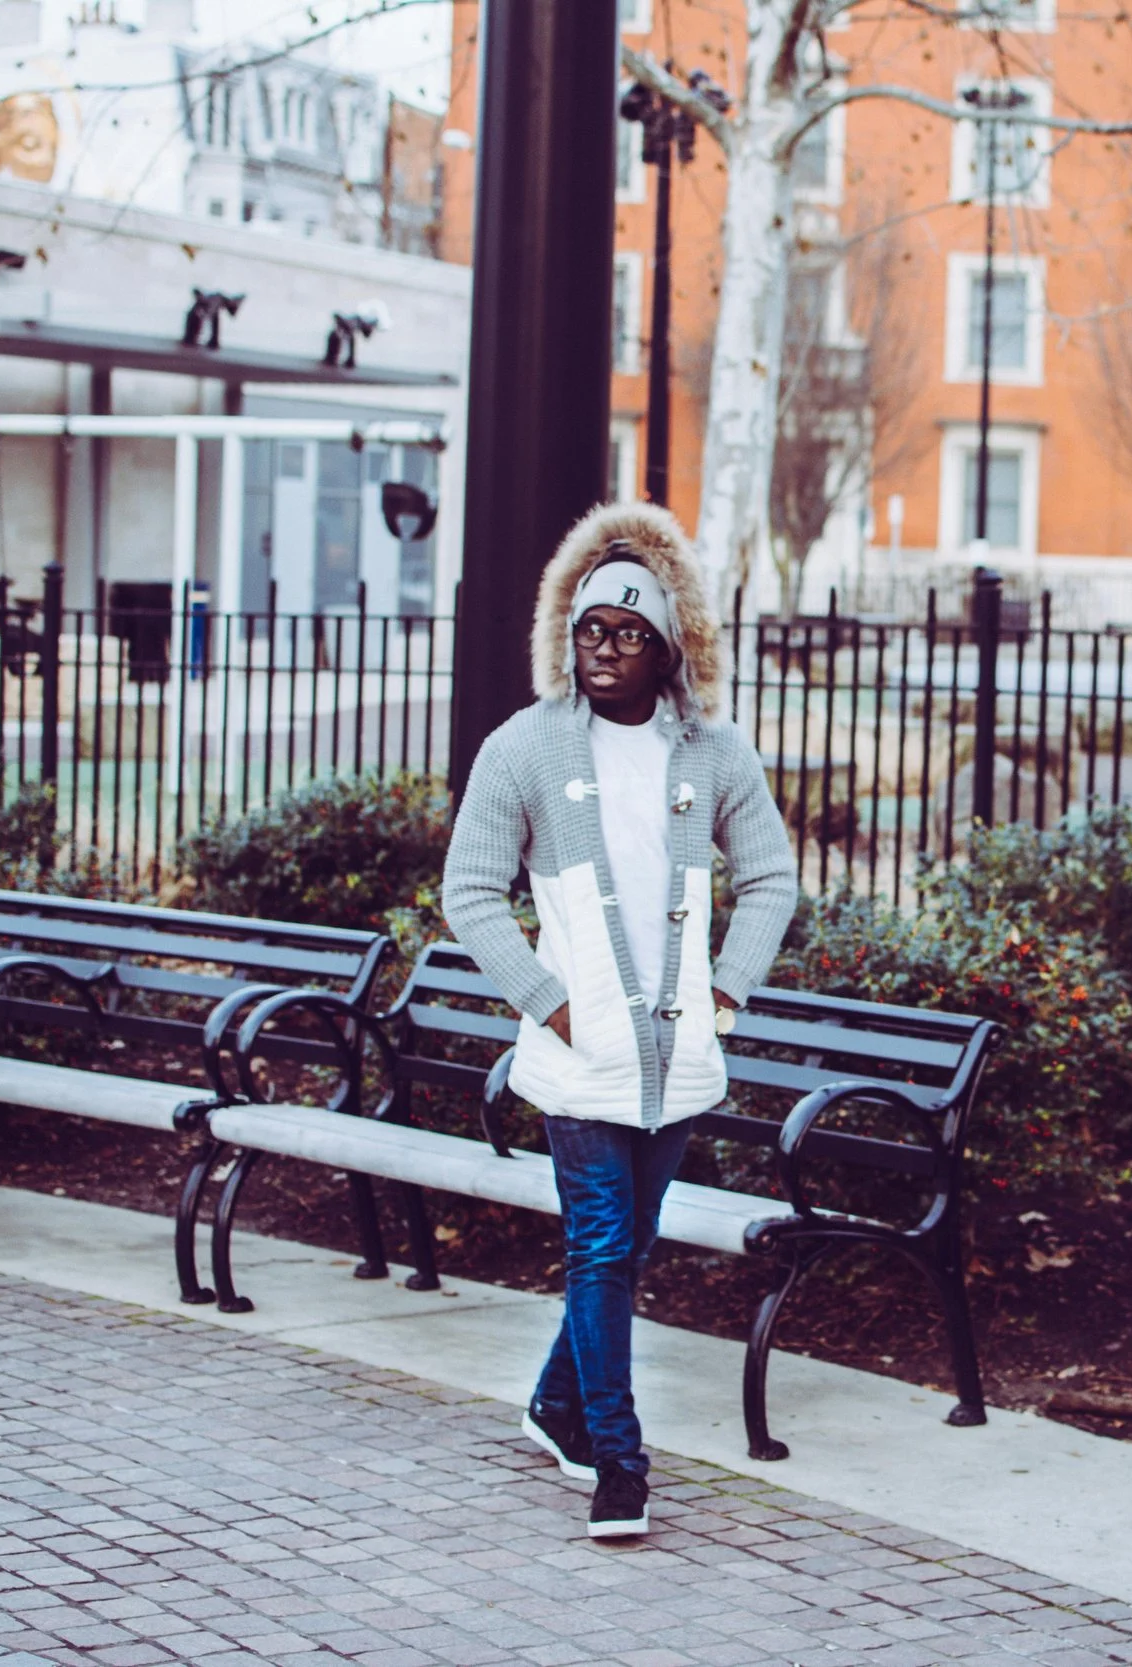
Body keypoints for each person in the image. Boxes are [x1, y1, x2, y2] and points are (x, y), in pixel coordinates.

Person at [442, 502, 797, 1539]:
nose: (604, 647)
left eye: (627, 631)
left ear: (667, 644)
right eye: (590, 628)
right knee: (600, 1244)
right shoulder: (526, 747)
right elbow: (470, 888)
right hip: (580, 1051)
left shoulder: (714, 752)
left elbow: (770, 874)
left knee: (627, 1244)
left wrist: (729, 986)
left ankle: (554, 1404)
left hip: (675, 1052)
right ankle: (618, 1459)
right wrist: (545, 1000)